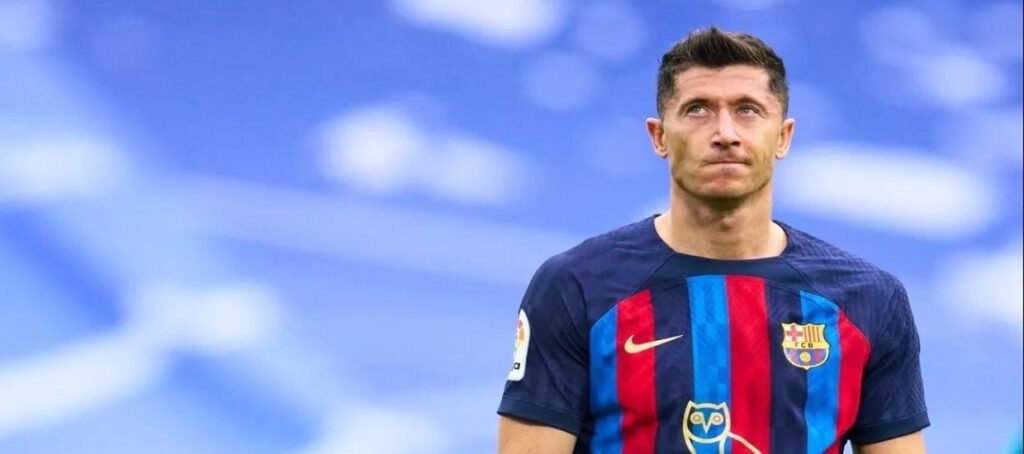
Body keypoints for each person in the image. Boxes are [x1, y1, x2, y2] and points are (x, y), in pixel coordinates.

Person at [496, 27, 929, 453]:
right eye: (698, 109)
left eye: (748, 110)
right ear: (659, 136)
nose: (725, 133)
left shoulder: (869, 298)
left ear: (783, 137)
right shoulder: (576, 285)